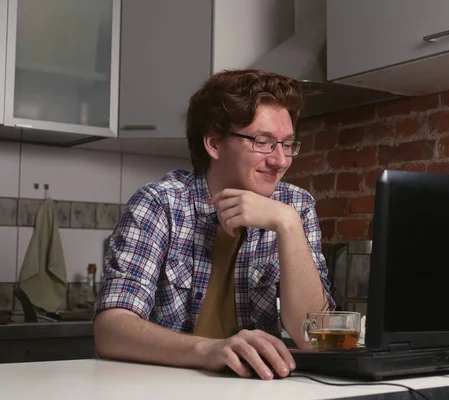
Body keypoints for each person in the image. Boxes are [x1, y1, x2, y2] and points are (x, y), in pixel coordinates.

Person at [93, 69, 336, 381]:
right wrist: (208, 350)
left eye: (288, 144)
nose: (281, 160)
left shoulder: (295, 206)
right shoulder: (160, 204)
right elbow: (111, 330)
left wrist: (287, 224)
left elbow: (312, 337)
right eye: (263, 142)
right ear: (215, 143)